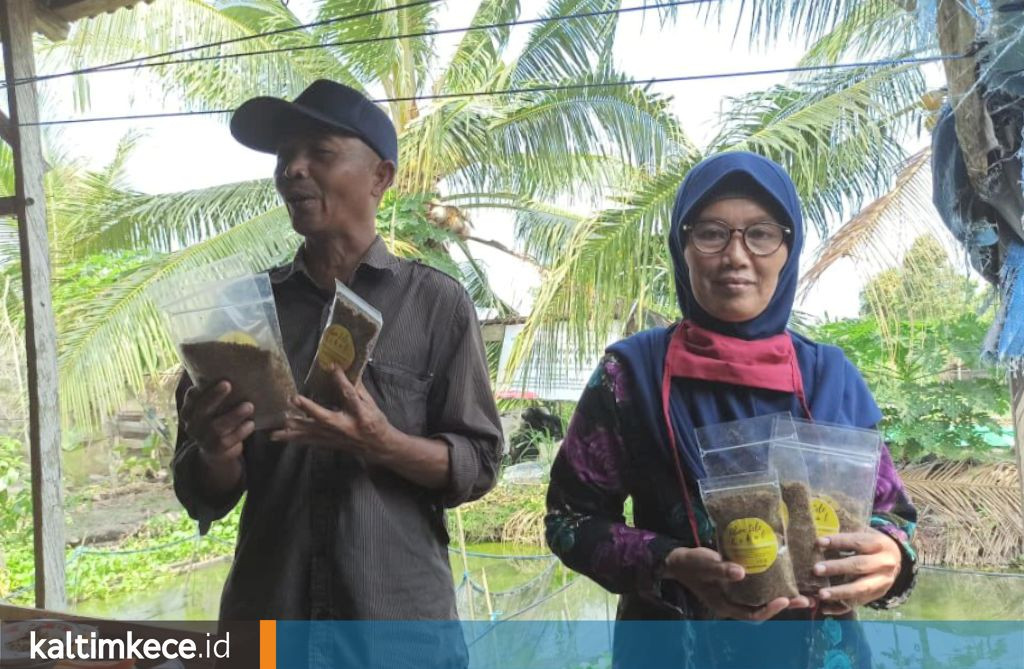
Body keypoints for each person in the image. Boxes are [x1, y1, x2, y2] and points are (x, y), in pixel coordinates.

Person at [545, 152, 917, 667]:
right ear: (684, 247)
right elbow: (570, 519)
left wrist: (892, 556)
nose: (736, 256)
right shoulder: (629, 376)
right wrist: (669, 563)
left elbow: (892, 516)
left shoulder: (831, 378)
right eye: (712, 233)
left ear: (789, 249)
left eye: (762, 233)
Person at [172, 80, 503, 624]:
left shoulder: (437, 304)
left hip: (395, 636)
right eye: (284, 156)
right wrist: (215, 452)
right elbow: (201, 493)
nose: (292, 170)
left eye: (319, 152)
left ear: (381, 177)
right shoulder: (242, 312)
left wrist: (384, 443)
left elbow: (481, 463)